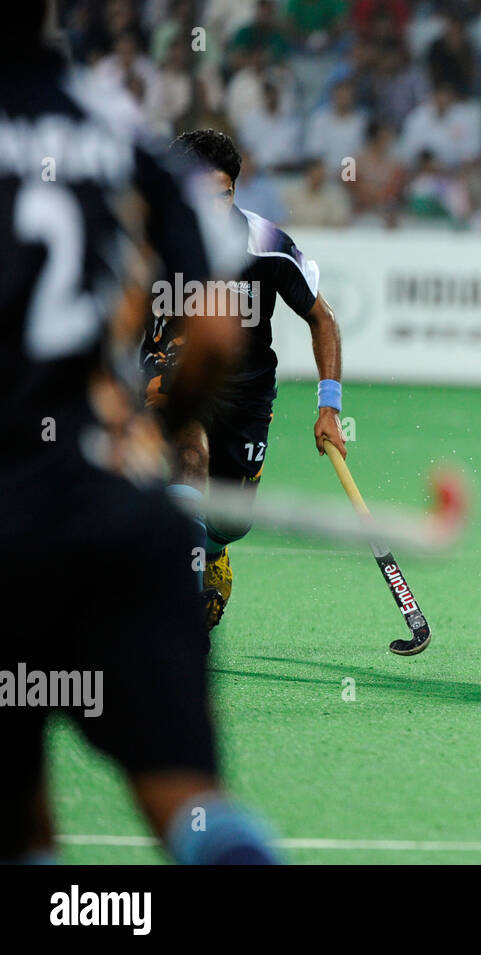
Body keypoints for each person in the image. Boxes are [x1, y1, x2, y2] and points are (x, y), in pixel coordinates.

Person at [0, 1, 278, 863]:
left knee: (20, 826)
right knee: (194, 805)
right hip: (125, 511)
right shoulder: (116, 124)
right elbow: (220, 329)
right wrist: (162, 434)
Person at [143, 129, 348, 635]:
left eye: (224, 194)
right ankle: (179, 621)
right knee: (188, 461)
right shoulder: (151, 242)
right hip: (174, 383)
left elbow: (323, 320)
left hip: (248, 393)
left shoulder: (269, 245)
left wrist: (329, 406)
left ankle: (213, 554)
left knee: (231, 519)